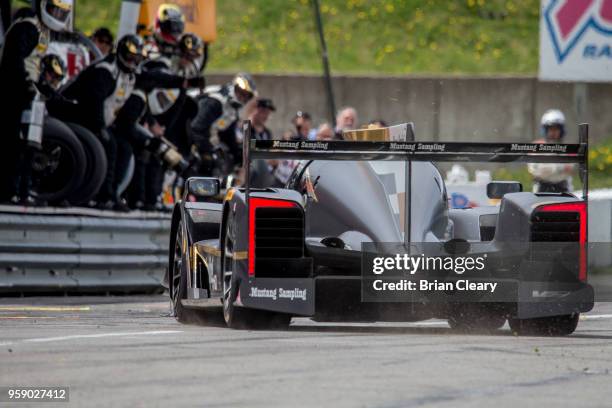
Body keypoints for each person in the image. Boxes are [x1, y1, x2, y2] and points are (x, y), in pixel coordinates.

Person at [0, 0, 73, 203]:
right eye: (54, 11)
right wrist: (28, 86)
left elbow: (34, 66)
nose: (57, 16)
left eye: (62, 13)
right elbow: (13, 61)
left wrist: (47, 90)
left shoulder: (43, 30)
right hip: (12, 94)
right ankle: (9, 191)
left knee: (30, 145)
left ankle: (23, 190)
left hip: (29, 95)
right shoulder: (28, 26)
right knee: (14, 143)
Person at [190, 72, 257, 173]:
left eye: (246, 96)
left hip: (196, 136)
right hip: (180, 130)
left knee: (218, 160)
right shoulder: (216, 101)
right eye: (241, 93)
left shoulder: (232, 110)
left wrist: (238, 154)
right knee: (205, 163)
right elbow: (196, 127)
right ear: (234, 88)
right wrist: (206, 150)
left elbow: (226, 134)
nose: (242, 98)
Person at [528, 109, 574, 193]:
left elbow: (570, 168)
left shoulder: (568, 148)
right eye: (551, 129)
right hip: (541, 189)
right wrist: (559, 167)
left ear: (561, 130)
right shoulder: (537, 146)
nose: (553, 132)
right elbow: (534, 170)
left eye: (556, 129)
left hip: (564, 189)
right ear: (545, 130)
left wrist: (548, 167)